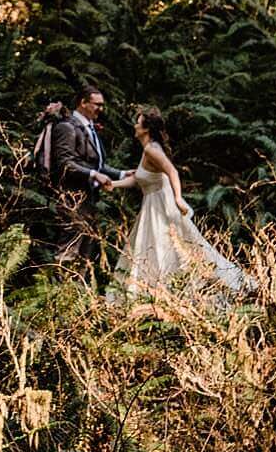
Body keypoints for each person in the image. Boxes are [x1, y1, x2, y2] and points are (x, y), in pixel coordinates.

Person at [104, 107, 253, 301]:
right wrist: (113, 184)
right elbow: (140, 179)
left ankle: (211, 288)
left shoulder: (151, 150)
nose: (135, 126)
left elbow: (172, 172)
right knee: (156, 247)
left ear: (146, 129)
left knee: (169, 247)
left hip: (161, 206)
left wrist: (178, 198)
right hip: (151, 206)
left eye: (138, 123)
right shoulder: (147, 149)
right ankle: (158, 293)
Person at [49, 82, 126, 270]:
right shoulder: (67, 127)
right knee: (68, 250)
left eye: (101, 105)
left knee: (86, 252)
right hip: (72, 199)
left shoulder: (89, 127)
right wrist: (93, 174)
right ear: (83, 103)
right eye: (97, 104)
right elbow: (65, 163)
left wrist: (122, 174)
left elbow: (95, 163)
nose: (101, 109)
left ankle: (80, 294)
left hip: (89, 200)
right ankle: (60, 294)